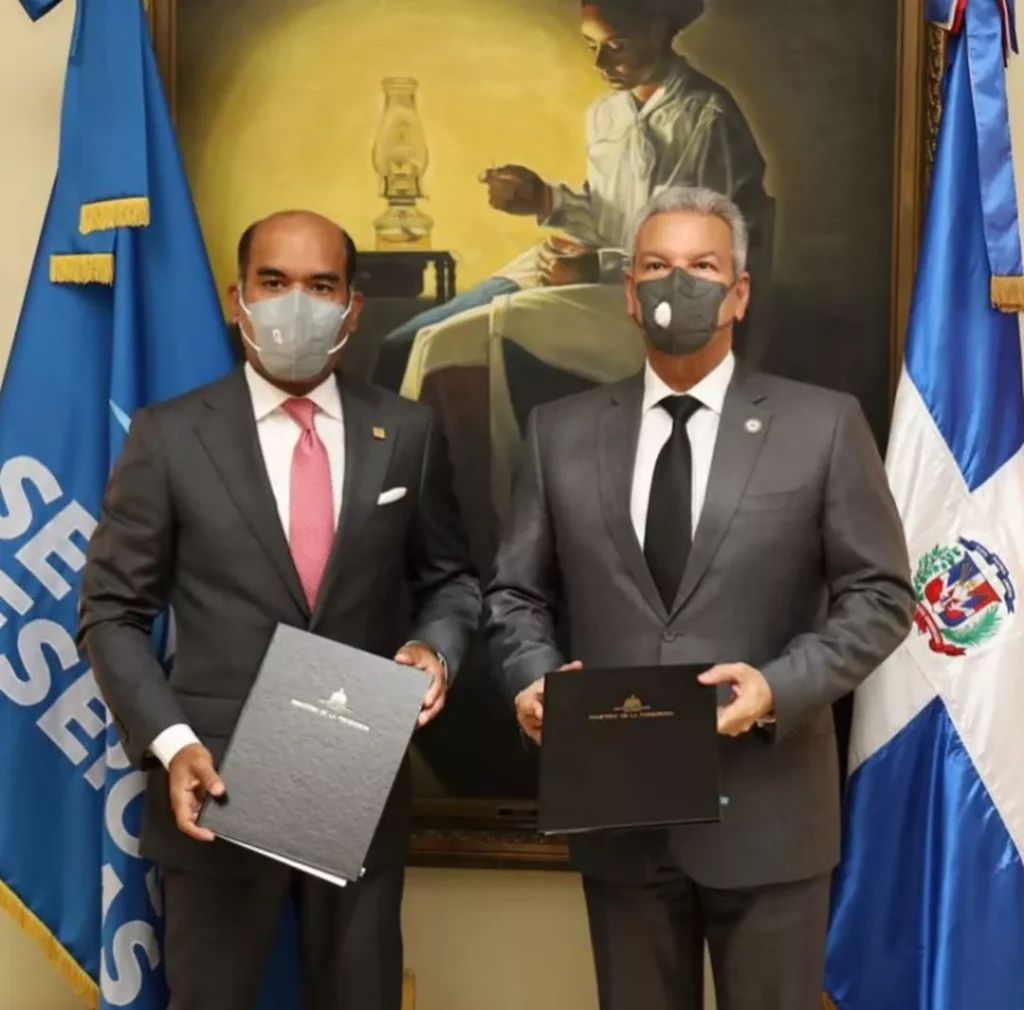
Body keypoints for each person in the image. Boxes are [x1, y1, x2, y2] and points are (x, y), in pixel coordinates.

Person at [485, 187, 914, 1010]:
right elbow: (515, 593)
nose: (676, 284)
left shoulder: (822, 425)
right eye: (656, 265)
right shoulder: (560, 432)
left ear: (739, 292)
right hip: (618, 816)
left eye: (702, 266)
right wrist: (532, 678)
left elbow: (881, 594)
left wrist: (776, 688)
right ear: (629, 291)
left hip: (769, 816)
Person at [78, 210, 480, 1010]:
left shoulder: (406, 432)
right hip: (214, 785)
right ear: (239, 299)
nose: (297, 303)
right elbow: (111, 611)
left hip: (357, 777)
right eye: (274, 281)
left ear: (352, 308)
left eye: (321, 286)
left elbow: (451, 580)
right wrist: (172, 743)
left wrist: (435, 650)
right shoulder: (170, 436)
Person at [376, 0, 769, 399]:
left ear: (657, 30)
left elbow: (710, 261)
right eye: (591, 45)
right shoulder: (606, 114)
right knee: (401, 345)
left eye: (615, 46)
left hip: (653, 310)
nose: (599, 62)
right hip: (592, 278)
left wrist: (599, 267)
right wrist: (542, 200)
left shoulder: (709, 119)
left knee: (448, 345)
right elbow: (608, 216)